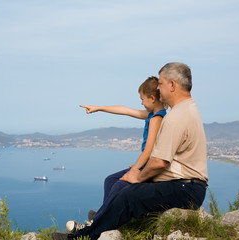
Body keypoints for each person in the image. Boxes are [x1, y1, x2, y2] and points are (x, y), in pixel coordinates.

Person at [52, 62, 208, 240]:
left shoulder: (176, 116)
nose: (158, 87)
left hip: (184, 188)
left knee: (127, 194)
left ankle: (84, 236)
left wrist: (138, 176)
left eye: (161, 83)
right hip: (186, 185)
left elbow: (159, 162)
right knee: (121, 186)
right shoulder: (187, 108)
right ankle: (104, 221)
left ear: (172, 85)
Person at [70, 76, 167, 229]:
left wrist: (135, 168)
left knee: (118, 185)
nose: (141, 102)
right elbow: (125, 110)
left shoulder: (157, 118)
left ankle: (96, 223)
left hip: (148, 166)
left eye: (142, 99)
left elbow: (149, 151)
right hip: (144, 164)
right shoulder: (152, 114)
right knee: (110, 180)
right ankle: (104, 216)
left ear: (152, 98)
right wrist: (99, 108)